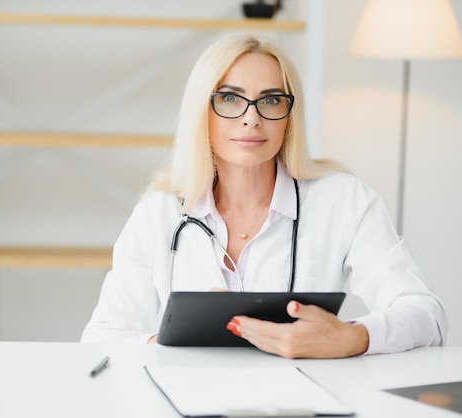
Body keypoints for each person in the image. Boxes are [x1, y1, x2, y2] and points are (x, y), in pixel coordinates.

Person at [81, 32, 447, 358]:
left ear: (290, 115)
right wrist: (174, 345)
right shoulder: (158, 214)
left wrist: (356, 337)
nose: (251, 119)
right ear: (201, 112)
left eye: (271, 101)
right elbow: (100, 337)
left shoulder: (343, 200)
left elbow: (426, 314)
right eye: (229, 98)